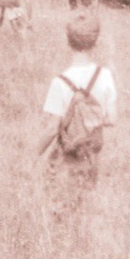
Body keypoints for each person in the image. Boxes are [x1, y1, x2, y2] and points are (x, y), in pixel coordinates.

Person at [38, 12, 118, 199]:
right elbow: (112, 119)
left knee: (59, 201)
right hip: (91, 153)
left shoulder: (59, 82)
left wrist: (33, 154)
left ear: (68, 42)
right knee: (85, 198)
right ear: (96, 42)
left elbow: (52, 129)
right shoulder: (105, 75)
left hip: (67, 154)